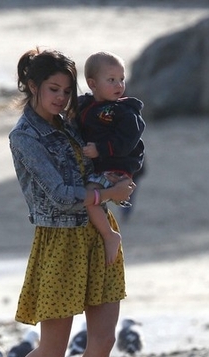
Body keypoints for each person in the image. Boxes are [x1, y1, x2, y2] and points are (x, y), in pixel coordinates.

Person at [0, 48, 135, 357]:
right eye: (53, 89)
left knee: (104, 338)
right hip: (59, 242)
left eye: (67, 90)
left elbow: (105, 154)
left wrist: (115, 177)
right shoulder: (24, 136)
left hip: (97, 231)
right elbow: (57, 194)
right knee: (53, 349)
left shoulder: (73, 122)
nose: (61, 98)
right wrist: (108, 191)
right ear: (32, 86)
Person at [77, 51, 145, 264]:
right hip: (100, 166)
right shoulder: (86, 106)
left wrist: (101, 150)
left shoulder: (124, 111)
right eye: (111, 80)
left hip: (117, 165)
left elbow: (128, 140)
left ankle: (109, 235)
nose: (119, 85)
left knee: (89, 197)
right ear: (92, 84)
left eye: (122, 79)